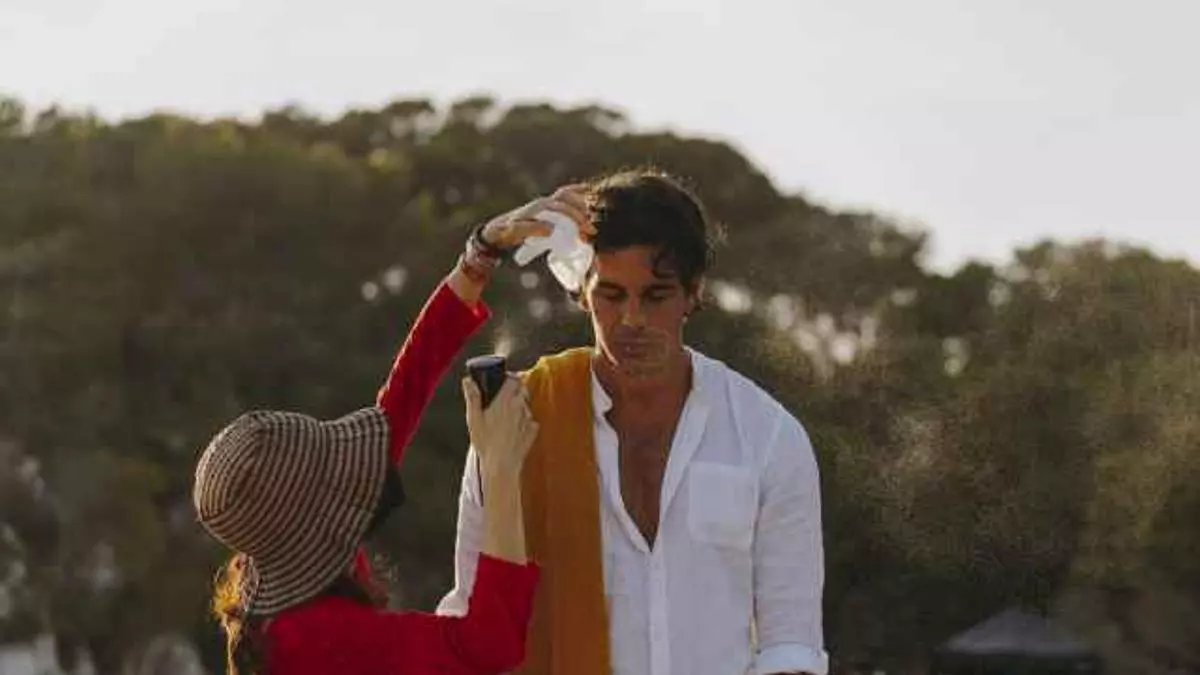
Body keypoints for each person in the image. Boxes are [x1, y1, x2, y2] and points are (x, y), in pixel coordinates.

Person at [439, 169, 828, 675]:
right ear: (582, 291)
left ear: (694, 292)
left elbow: (790, 645)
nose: (633, 320)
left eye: (656, 295)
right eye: (612, 295)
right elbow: (471, 623)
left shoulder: (767, 437)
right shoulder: (517, 426)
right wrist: (482, 248)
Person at [192, 186, 595, 675]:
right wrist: (500, 467)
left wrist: (480, 253)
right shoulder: (320, 637)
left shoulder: (280, 562)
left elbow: (402, 397)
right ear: (321, 513)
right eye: (337, 472)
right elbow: (487, 646)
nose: (355, 472)